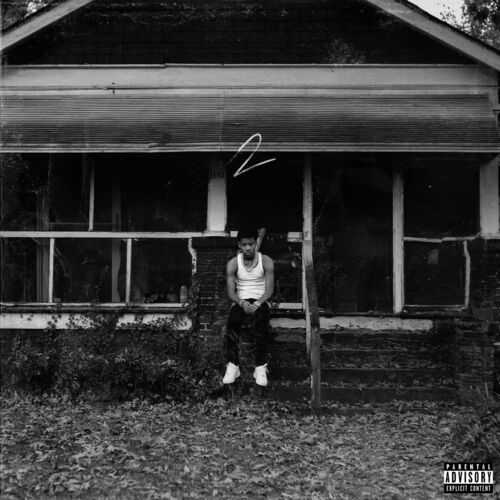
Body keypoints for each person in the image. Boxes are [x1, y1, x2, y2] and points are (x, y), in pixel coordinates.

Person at [223, 228, 274, 387]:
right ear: (239, 245)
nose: (247, 248)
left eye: (251, 244)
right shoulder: (233, 263)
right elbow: (231, 292)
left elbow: (269, 290)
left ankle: (260, 366)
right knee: (233, 321)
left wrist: (258, 303)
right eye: (244, 245)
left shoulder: (266, 261)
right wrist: (240, 302)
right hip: (241, 300)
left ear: (256, 243)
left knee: (262, 322)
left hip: (260, 300)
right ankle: (233, 365)